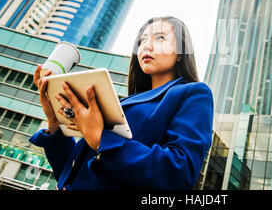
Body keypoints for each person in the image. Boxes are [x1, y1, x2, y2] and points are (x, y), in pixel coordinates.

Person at [29, 16, 214, 190]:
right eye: (142, 41)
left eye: (159, 38)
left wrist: (101, 139)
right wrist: (54, 121)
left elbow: (180, 174)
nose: (146, 46)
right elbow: (69, 173)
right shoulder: (120, 102)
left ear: (181, 53)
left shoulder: (194, 93)